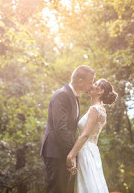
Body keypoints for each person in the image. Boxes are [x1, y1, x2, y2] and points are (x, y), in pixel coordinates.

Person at [40, 65, 96, 193]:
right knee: (55, 190)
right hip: (55, 152)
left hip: (63, 152)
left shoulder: (73, 97)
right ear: (80, 81)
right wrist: (72, 154)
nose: (91, 86)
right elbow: (61, 129)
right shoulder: (61, 95)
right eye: (90, 82)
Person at [66, 78, 118, 193]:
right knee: (93, 183)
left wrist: (71, 155)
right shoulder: (101, 110)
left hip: (86, 151)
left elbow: (85, 135)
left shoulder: (95, 109)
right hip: (93, 150)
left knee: (87, 186)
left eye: (95, 84)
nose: (91, 85)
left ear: (100, 91)